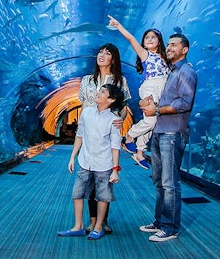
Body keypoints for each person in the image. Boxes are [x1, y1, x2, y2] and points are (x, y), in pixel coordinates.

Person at [138, 32, 197, 243]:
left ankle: (171, 227)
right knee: (159, 181)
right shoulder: (170, 71)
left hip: (172, 132)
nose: (169, 48)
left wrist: (157, 111)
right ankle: (160, 221)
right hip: (160, 131)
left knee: (170, 182)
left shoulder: (186, 72)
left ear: (185, 49)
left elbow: (185, 103)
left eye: (174, 45)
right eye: (168, 45)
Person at [57, 83, 125, 241]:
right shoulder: (86, 112)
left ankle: (98, 227)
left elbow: (115, 146)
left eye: (103, 92)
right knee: (77, 194)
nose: (98, 93)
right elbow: (79, 135)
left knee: (103, 196)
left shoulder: (113, 120)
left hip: (104, 164)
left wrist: (115, 169)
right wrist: (72, 156)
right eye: (99, 90)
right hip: (85, 161)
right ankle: (78, 226)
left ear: (111, 99)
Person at [77, 43, 132, 234]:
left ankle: (102, 221)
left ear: (113, 59)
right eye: (100, 52)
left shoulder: (120, 81)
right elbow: (84, 104)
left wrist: (120, 120)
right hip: (90, 133)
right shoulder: (86, 80)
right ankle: (93, 221)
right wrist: (81, 130)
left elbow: (123, 107)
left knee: (105, 179)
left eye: (107, 53)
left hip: (107, 135)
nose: (101, 55)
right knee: (88, 179)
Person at [107, 16, 170, 170]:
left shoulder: (165, 57)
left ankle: (140, 151)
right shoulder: (145, 54)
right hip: (151, 87)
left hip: (162, 89)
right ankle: (129, 136)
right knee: (151, 121)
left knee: (152, 123)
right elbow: (130, 39)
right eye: (146, 37)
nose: (149, 39)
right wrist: (119, 25)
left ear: (159, 41)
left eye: (153, 37)